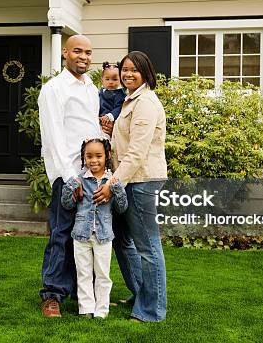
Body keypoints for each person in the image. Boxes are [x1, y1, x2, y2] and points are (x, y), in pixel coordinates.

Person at [93, 51, 168, 322]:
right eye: (125, 69)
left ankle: (152, 309)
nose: (127, 74)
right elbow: (123, 142)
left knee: (147, 246)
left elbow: (136, 152)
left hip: (141, 181)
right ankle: (141, 293)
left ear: (146, 72)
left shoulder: (145, 102)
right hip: (128, 180)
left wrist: (112, 184)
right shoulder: (129, 100)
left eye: (134, 70)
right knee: (123, 241)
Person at [38, 35, 106, 317]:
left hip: (90, 176)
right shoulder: (54, 89)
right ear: (65, 53)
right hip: (67, 176)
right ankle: (52, 295)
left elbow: (89, 131)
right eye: (78, 51)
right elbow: (53, 137)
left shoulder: (91, 88)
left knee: (86, 236)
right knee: (61, 234)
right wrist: (70, 179)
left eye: (88, 52)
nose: (84, 57)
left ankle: (83, 296)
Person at [61, 138, 127, 319]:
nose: (94, 160)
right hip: (81, 236)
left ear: (107, 156)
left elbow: (122, 208)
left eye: (99, 156)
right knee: (83, 273)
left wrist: (117, 189)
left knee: (103, 274)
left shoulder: (111, 181)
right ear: (83, 158)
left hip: (104, 236)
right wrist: (71, 187)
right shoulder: (79, 180)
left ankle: (102, 310)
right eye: (89, 156)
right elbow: (67, 205)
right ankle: (85, 308)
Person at [99, 61, 126, 139]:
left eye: (114, 79)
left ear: (120, 80)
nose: (111, 82)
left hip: (110, 121)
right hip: (100, 121)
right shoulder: (100, 92)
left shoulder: (119, 94)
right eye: (107, 79)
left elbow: (119, 107)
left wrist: (110, 116)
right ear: (102, 80)